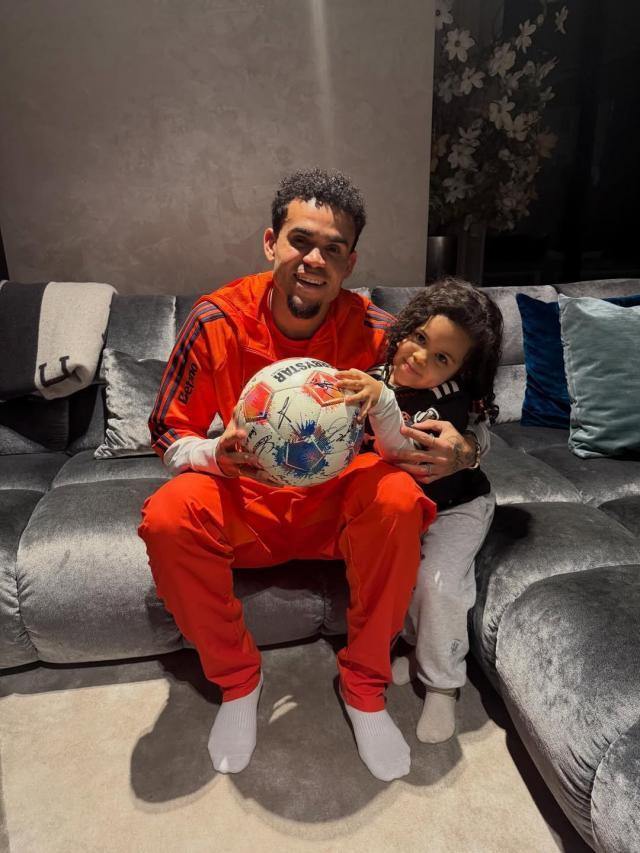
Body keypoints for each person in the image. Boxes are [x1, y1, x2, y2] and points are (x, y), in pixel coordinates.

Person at [138, 168, 481, 782]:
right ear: (272, 242)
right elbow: (167, 431)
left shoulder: (381, 334)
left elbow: (463, 403)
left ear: (350, 263)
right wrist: (213, 455)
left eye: (333, 248)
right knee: (168, 515)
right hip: (248, 501)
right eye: (301, 240)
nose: (314, 259)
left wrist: (468, 450)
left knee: (398, 497)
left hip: (334, 510)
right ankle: (238, 682)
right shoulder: (215, 319)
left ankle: (365, 688)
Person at [336, 278, 503, 743]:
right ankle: (413, 650)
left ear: (461, 371)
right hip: (408, 506)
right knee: (399, 576)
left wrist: (381, 401)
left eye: (442, 357)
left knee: (437, 583)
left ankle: (444, 684)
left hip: (456, 506)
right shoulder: (378, 374)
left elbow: (403, 451)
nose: (420, 357)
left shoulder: (448, 399)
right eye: (420, 338)